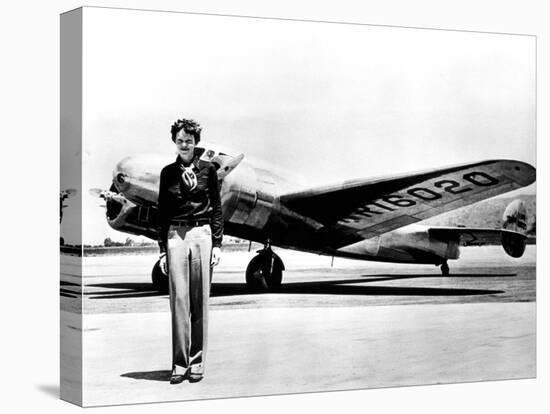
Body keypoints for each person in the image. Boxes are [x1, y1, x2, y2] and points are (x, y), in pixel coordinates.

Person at [157, 118, 223, 384]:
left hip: (201, 234)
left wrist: (217, 244)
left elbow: (217, 208)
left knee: (200, 302)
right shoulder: (167, 174)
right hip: (175, 234)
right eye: (180, 140)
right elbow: (161, 213)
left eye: (189, 140)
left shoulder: (208, 171)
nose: (184, 144)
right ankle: (179, 364)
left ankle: (197, 363)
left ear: (196, 142)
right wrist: (163, 249)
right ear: (174, 141)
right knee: (179, 303)